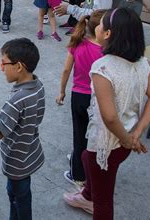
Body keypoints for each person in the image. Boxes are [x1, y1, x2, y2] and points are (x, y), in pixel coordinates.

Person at [63, 8, 150, 219]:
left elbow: (109, 117)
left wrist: (128, 139)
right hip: (123, 143)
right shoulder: (140, 63)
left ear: (107, 34)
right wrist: (137, 132)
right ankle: (87, 194)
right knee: (84, 157)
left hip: (107, 144)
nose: (96, 26)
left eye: (100, 25)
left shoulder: (103, 67)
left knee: (104, 202)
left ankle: (91, 198)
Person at [0, 38, 45, 220]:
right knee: (21, 195)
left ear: (19, 66)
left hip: (16, 162)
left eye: (4, 63)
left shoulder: (17, 100)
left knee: (18, 198)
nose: (1, 68)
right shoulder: (38, 86)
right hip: (30, 153)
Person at [56, 11, 105, 188]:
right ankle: (89, 166)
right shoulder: (106, 50)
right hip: (98, 98)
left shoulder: (77, 43)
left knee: (79, 134)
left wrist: (61, 91)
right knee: (94, 134)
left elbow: (66, 70)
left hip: (78, 96)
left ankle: (77, 174)